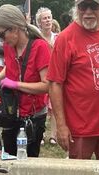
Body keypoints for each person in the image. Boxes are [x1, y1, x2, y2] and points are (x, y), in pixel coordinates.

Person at [47, 0, 99, 160]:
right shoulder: (65, 38)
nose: (88, 12)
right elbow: (55, 83)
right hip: (80, 127)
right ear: (77, 7)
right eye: (83, 6)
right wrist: (61, 126)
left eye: (94, 6)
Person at [0, 4, 51, 158]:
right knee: (9, 158)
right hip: (12, 112)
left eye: (1, 34)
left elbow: (46, 86)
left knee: (29, 160)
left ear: (14, 28)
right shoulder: (8, 46)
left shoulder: (40, 47)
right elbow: (11, 65)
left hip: (33, 115)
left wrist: (16, 85)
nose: (1, 40)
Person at [36, 7, 59, 146]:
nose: (47, 20)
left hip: (56, 76)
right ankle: (41, 133)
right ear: (39, 22)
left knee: (55, 106)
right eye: (44, 18)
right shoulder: (36, 38)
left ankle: (53, 135)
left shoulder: (58, 37)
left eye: (49, 17)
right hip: (40, 77)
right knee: (41, 106)